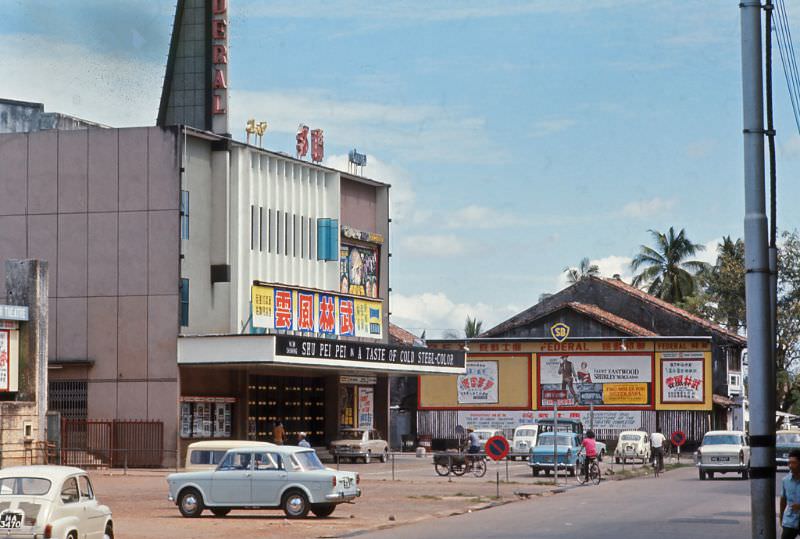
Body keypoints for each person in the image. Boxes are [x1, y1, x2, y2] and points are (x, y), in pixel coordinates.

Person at [782, 449, 800, 539]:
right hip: (790, 520)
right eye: (789, 463)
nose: (790, 466)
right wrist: (781, 518)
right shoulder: (785, 480)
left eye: (794, 463)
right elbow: (783, 500)